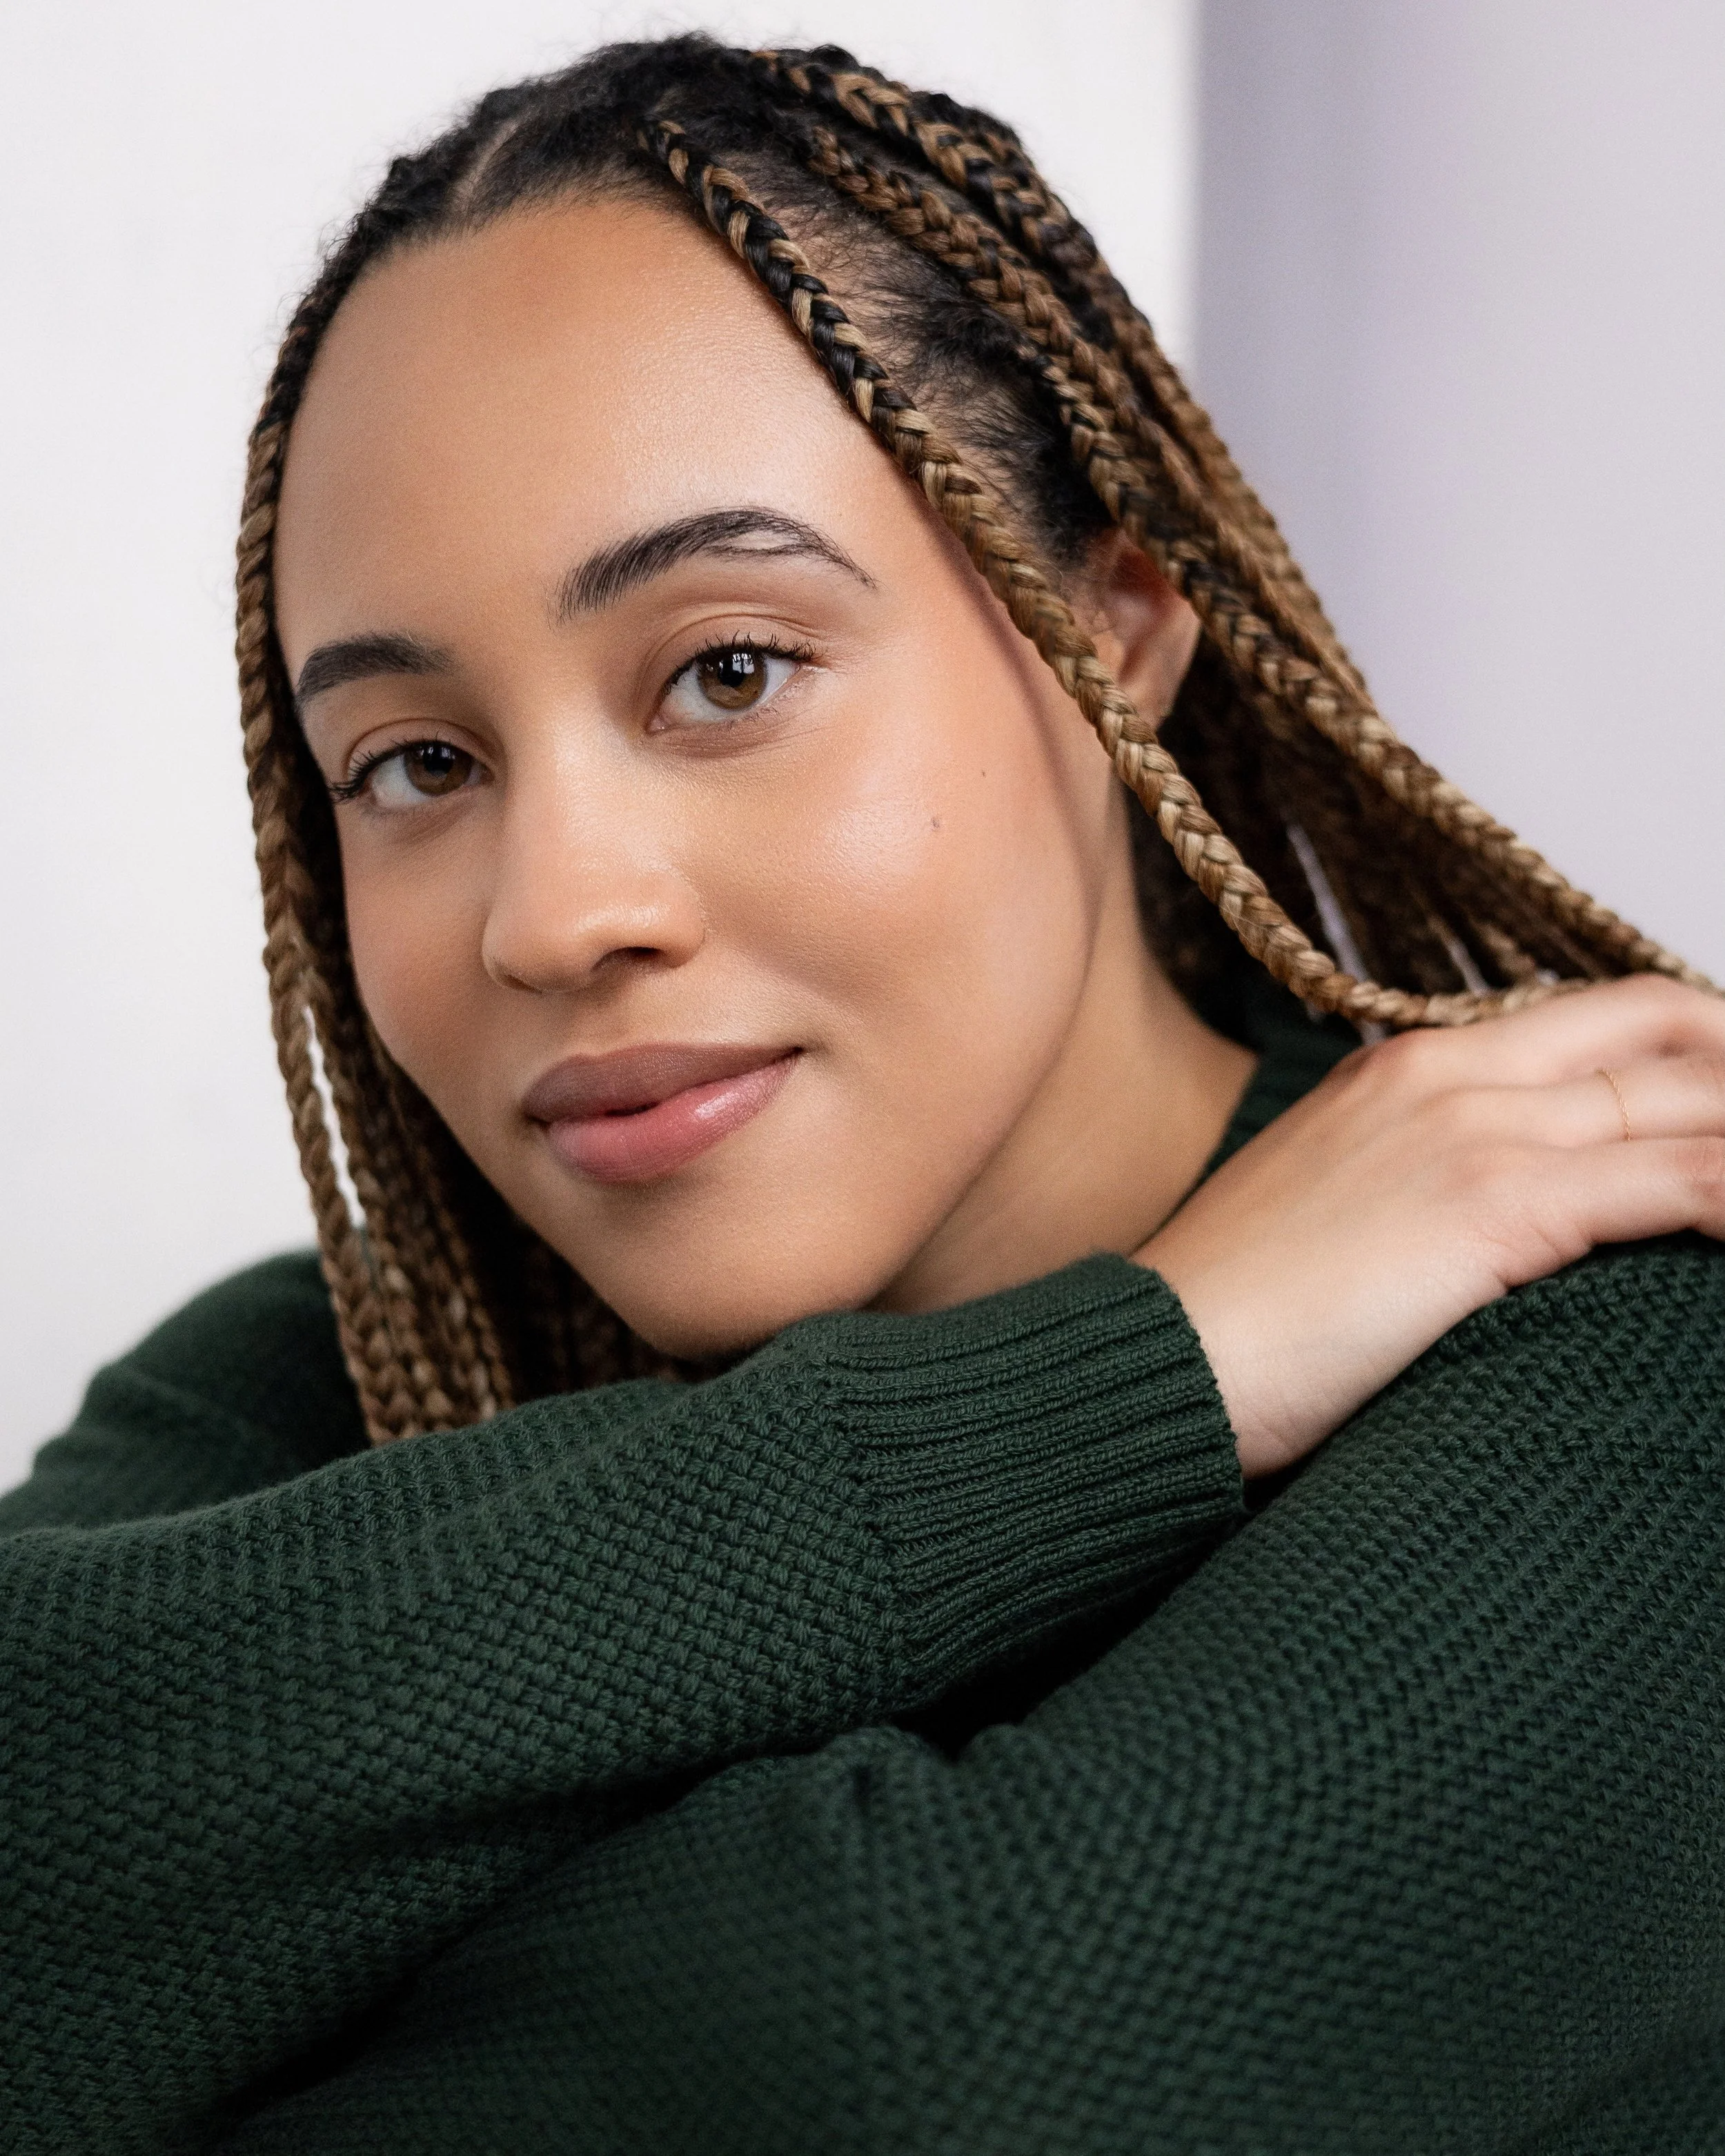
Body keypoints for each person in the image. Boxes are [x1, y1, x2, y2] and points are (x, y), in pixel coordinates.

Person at [4, 34, 1724, 2155]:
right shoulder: (322, 1374)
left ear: (1115, 630)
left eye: (726, 671)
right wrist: (1147, 1373)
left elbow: (924, 2068)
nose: (554, 913)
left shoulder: (1627, 1343)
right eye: (417, 764)